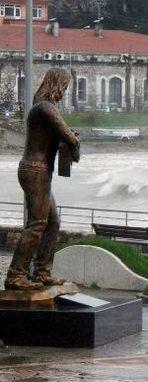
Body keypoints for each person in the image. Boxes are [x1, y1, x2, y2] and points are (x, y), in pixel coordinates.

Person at [4, 68, 80, 290]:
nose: (64, 93)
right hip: (35, 171)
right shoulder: (46, 108)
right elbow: (69, 136)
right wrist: (74, 140)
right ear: (55, 84)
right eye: (64, 87)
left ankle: (42, 272)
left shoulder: (45, 107)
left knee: (53, 222)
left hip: (40, 172)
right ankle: (15, 275)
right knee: (37, 223)